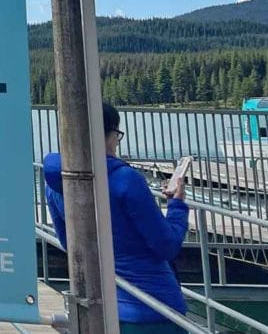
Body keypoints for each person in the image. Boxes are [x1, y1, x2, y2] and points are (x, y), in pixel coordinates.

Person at [43, 103, 188, 332]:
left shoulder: (55, 183)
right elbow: (167, 246)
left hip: (98, 306)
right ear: (109, 135)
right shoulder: (127, 180)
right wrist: (177, 206)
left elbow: (69, 243)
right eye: (117, 135)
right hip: (152, 307)